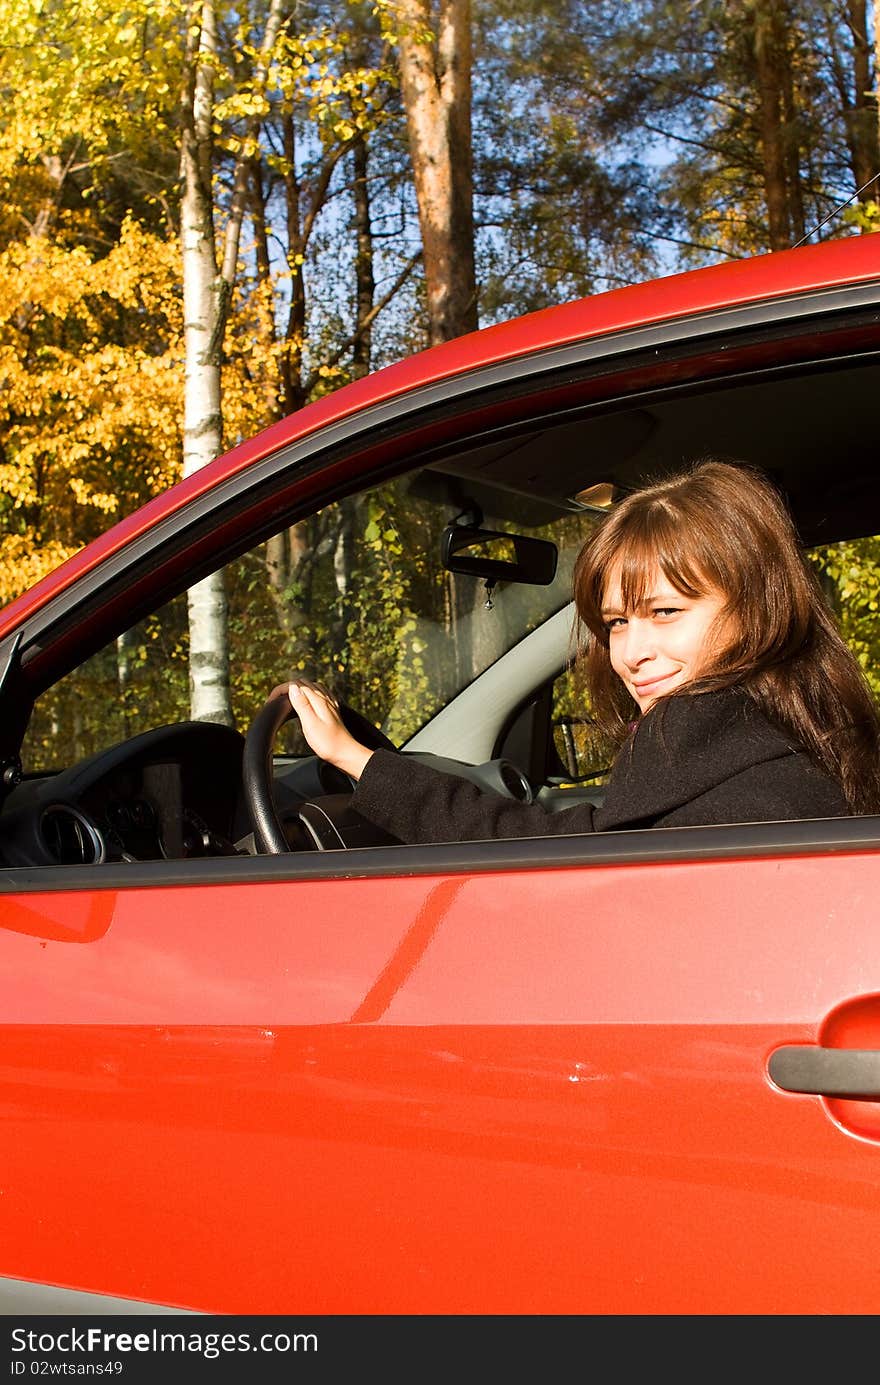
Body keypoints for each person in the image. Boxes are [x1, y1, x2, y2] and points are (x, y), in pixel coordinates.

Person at [285, 459, 880, 843]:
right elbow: (578, 840)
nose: (630, 653)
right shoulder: (804, 737)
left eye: (666, 612)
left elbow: (547, 854)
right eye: (617, 622)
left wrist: (360, 763)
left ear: (757, 608)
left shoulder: (737, 780)